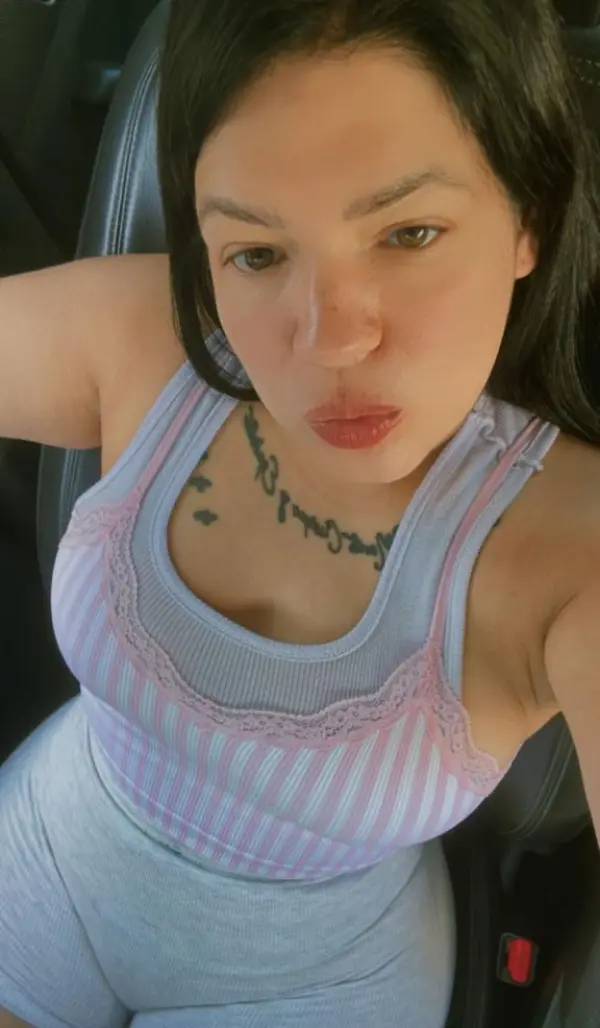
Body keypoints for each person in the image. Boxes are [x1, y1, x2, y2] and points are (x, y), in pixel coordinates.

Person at [2, 0, 600, 1025]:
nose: (329, 340)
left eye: (408, 233)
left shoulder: (572, 550)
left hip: (316, 983)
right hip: (44, 863)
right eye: (257, 253)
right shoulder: (140, 338)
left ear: (528, 215)